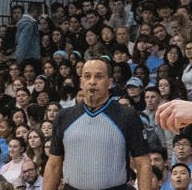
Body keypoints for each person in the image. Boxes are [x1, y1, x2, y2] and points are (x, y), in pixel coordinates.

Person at [45, 58, 152, 190]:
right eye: (87, 76)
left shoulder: (127, 115)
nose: (92, 82)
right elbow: (54, 164)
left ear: (110, 82)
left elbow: (143, 163)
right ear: (81, 82)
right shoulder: (63, 116)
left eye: (99, 76)